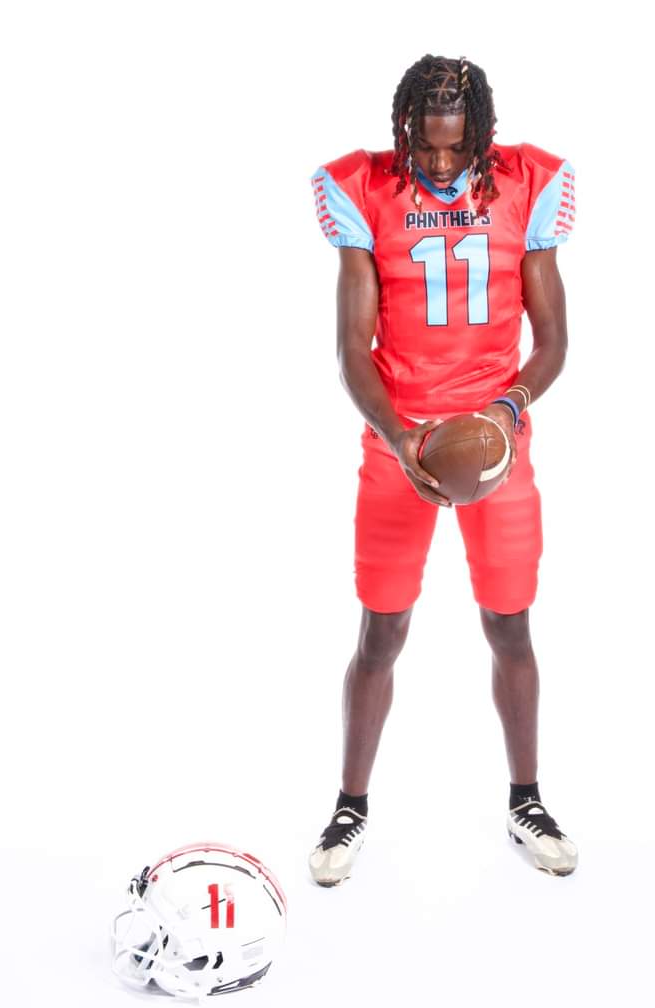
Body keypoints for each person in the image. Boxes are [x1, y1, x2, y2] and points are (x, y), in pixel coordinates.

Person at [307, 54, 578, 885]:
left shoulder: (527, 184)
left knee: (510, 626)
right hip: (400, 436)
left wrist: (505, 410)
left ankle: (526, 799)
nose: (438, 159)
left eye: (454, 146)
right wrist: (400, 439)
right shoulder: (365, 187)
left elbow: (554, 342)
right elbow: (352, 350)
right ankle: (349, 806)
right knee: (381, 632)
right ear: (404, 128)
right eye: (423, 144)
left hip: (497, 439)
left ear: (480, 133)